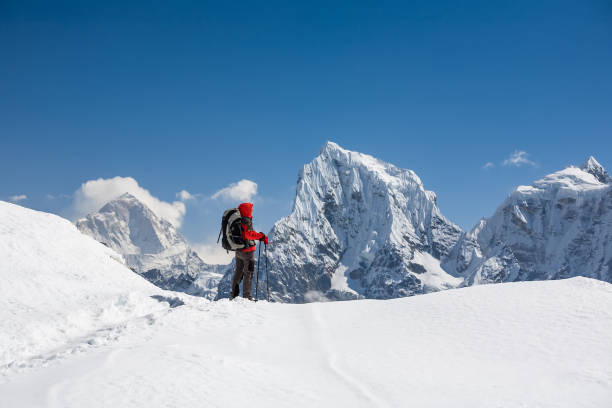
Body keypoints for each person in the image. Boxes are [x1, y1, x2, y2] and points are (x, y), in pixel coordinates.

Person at [231, 202, 268, 300]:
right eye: (251, 209)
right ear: (248, 210)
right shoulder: (246, 219)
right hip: (247, 252)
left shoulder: (237, 219)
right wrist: (261, 236)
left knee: (238, 272)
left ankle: (234, 295)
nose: (252, 211)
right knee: (248, 273)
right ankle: (247, 297)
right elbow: (248, 234)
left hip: (238, 250)